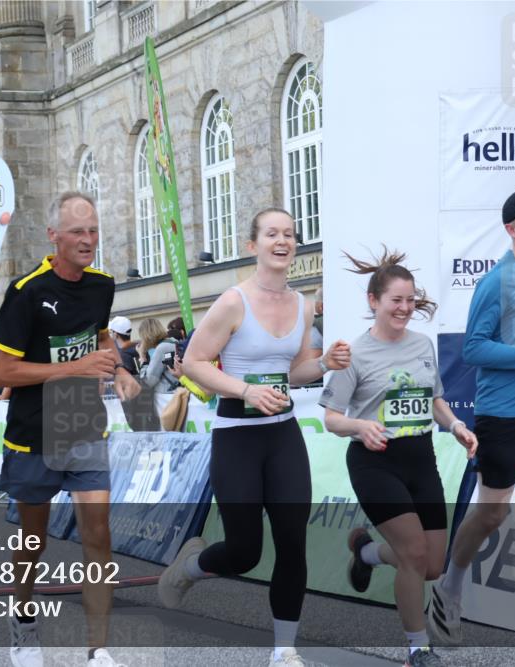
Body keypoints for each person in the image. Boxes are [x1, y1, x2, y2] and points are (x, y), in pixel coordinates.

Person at [158, 207, 351, 667]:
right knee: (245, 551)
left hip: (282, 436)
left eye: (289, 234)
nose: (281, 241)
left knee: (291, 540)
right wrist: (246, 389)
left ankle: (284, 649)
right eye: (271, 234)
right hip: (237, 437)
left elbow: (295, 369)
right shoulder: (232, 302)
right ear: (253, 245)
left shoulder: (303, 304)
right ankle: (190, 567)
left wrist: (325, 364)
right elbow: (196, 363)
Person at [0, 191, 140, 667]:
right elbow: (3, 375)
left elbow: (95, 337)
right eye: (78, 231)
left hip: (83, 425)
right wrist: (73, 369)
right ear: (53, 236)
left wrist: (117, 369)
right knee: (34, 541)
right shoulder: (26, 291)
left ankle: (98, 649)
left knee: (99, 534)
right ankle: (24, 621)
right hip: (33, 432)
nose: (88, 240)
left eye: (93, 230)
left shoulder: (103, 285)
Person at [427, 189, 515, 661]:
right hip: (503, 419)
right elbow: (474, 350)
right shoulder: (496, 282)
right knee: (489, 515)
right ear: (513, 229)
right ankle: (450, 587)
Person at [320, 249, 477, 667]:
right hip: (375, 461)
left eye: (410, 301)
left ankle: (367, 552)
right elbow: (331, 420)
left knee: (431, 565)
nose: (405, 309)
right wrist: (361, 427)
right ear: (374, 301)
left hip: (421, 458)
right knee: (411, 554)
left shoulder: (423, 345)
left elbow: (436, 400)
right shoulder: (354, 354)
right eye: (396, 301)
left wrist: (456, 427)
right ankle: (417, 649)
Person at [137, 318, 180, 394]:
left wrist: (142, 357)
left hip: (167, 396)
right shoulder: (173, 342)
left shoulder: (162, 348)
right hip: (177, 392)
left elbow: (148, 381)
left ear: (146, 336)